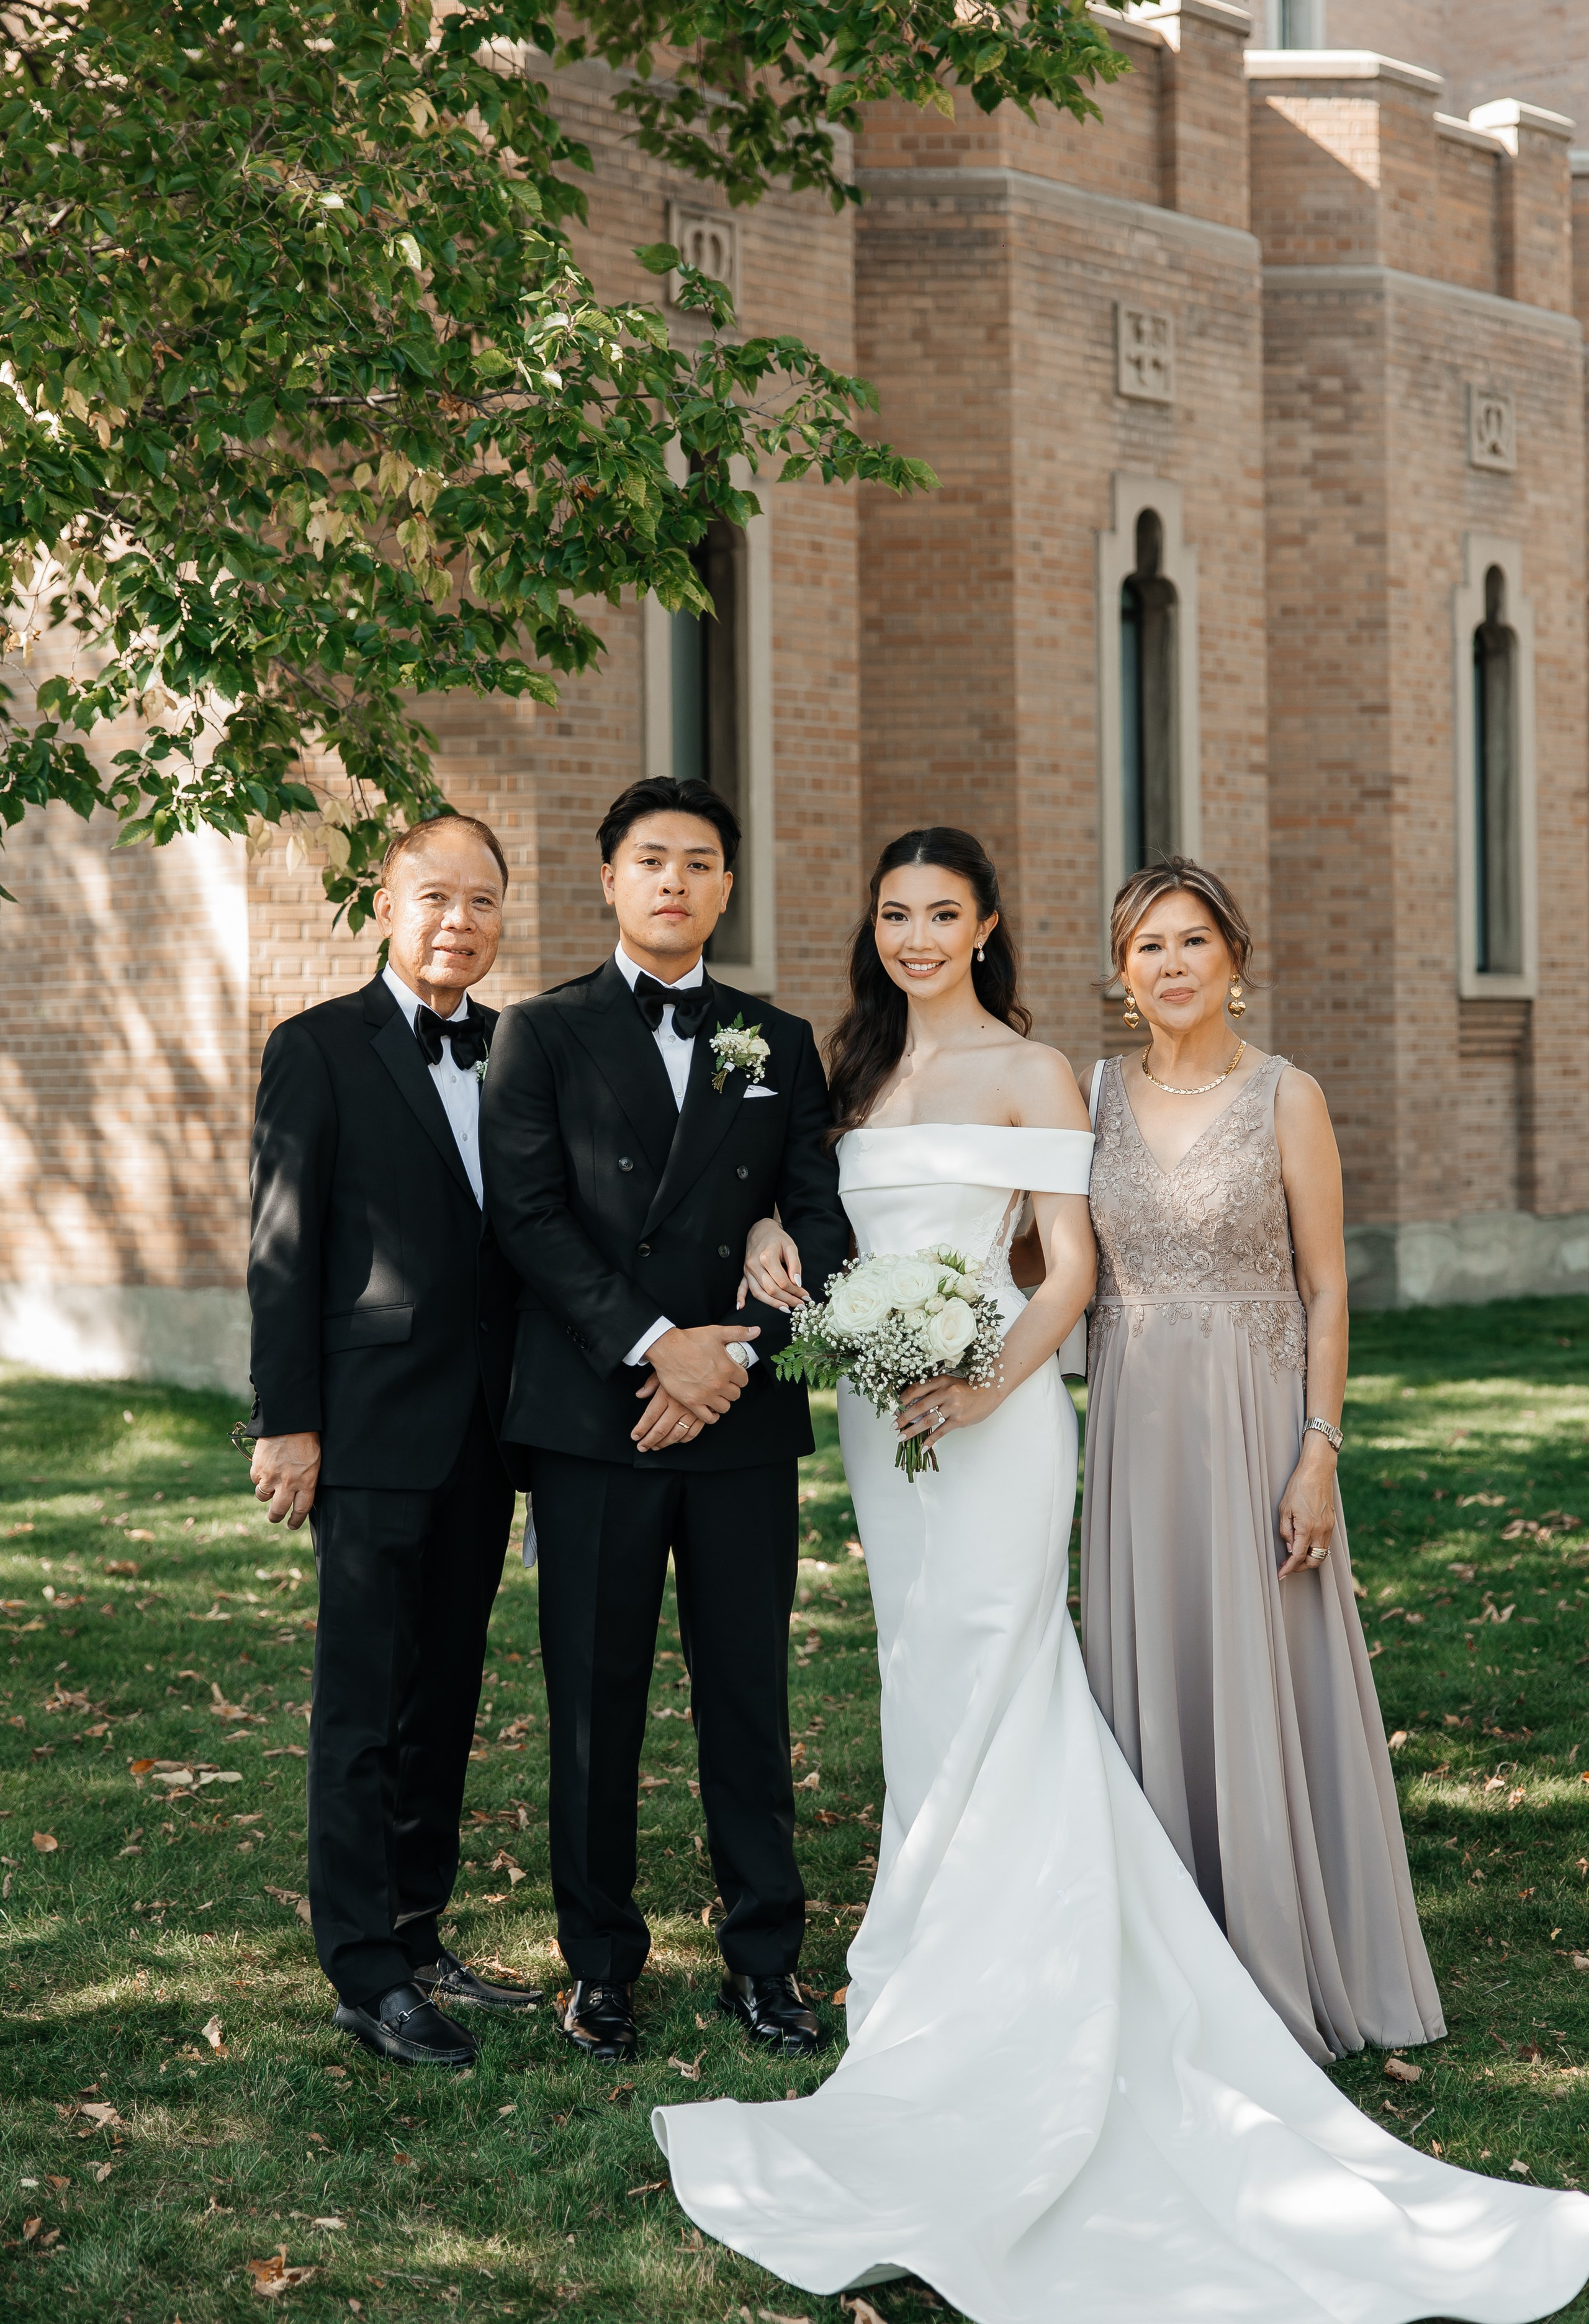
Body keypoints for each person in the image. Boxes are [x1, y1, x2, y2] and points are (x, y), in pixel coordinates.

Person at [650, 827, 1589, 2324]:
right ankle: (926, 1951)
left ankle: (1045, 1975)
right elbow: (822, 1213)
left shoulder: (1040, 1074)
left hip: (992, 1414)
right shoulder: (849, 1078)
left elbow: (1065, 1268)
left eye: (940, 912)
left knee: (1007, 1671)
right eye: (891, 913)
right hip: (878, 1424)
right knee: (920, 1682)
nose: (912, 934)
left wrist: (980, 1387)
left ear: (988, 925)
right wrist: (773, 1228)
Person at [479, 774, 850, 2066]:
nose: (674, 881)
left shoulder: (778, 1040)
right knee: (595, 1702)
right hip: (599, 1417)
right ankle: (600, 1967)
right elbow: (525, 1219)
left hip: (737, 1421)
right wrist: (656, 1349)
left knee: (747, 1696)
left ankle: (765, 1961)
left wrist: (735, 1350)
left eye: (699, 862)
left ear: (726, 888)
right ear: (609, 880)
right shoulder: (538, 1033)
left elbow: (821, 1216)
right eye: (651, 860)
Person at [1078, 856, 1442, 2062]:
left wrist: (1317, 1454)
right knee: (1157, 1676)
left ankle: (1285, 1952)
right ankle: (1166, 1963)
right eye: (1146, 947)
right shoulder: (1087, 1096)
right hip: (1134, 1426)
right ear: (1119, 974)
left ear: (1232, 958)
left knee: (1260, 1677)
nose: (1170, 965)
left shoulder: (1286, 1094)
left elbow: (1327, 1286)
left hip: (1252, 1422)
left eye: (1190, 942)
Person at [246, 815, 539, 2068]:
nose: (456, 922)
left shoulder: (518, 1051)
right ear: (384, 900)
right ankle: (363, 1971)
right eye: (433, 897)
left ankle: (418, 1932)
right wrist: (288, 1421)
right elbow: (281, 1250)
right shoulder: (318, 1049)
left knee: (446, 1696)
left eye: (479, 901)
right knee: (361, 1706)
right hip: (365, 1432)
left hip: (486, 1430)